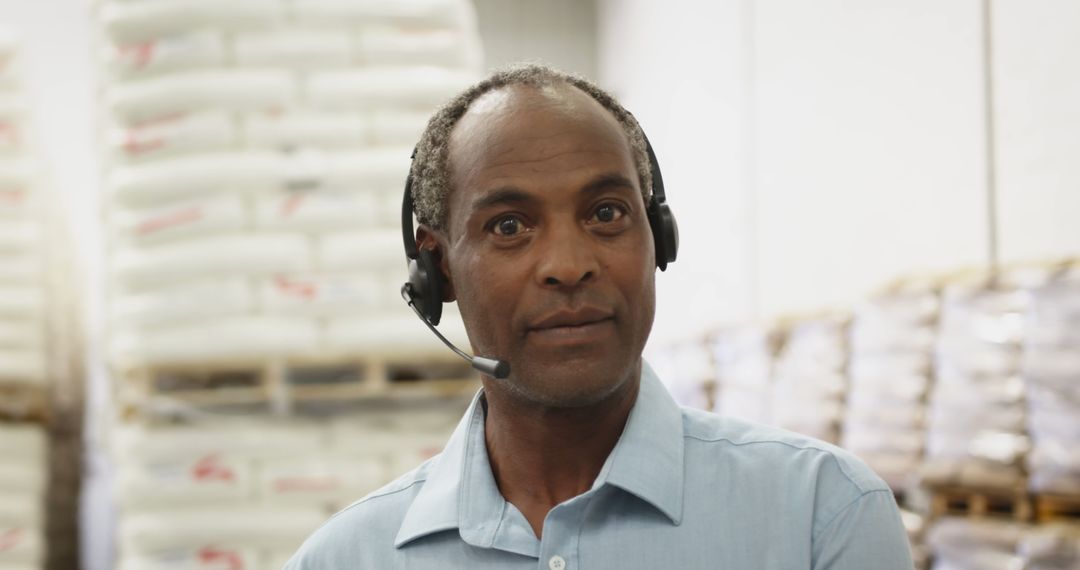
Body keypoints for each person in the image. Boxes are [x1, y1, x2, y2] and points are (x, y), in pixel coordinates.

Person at [285, 64, 913, 569]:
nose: (567, 264)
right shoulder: (345, 557)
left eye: (606, 213)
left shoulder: (819, 514)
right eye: (510, 226)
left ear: (658, 237)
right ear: (437, 270)